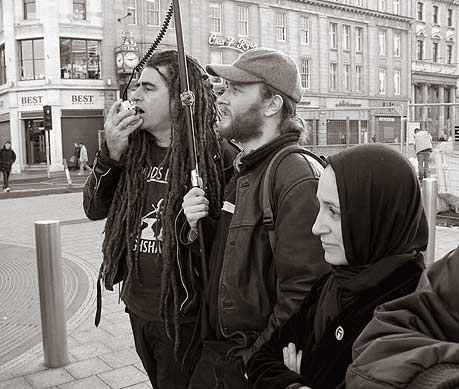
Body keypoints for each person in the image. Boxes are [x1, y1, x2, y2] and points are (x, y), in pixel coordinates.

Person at [182, 47, 329, 388]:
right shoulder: (246, 168)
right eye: (223, 88)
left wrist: (255, 361)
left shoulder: (295, 175)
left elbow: (304, 291)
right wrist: (195, 227)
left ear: (272, 104)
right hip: (220, 354)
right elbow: (232, 262)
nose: (221, 98)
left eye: (235, 90)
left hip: (246, 364)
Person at [83, 50, 229, 389]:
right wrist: (111, 153)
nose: (135, 96)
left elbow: (225, 244)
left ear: (181, 98)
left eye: (148, 88)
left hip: (185, 313)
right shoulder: (131, 148)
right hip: (139, 305)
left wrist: (197, 227)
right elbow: (93, 208)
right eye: (136, 87)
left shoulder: (214, 155)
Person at [246, 144, 428, 389]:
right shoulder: (332, 283)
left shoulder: (412, 309)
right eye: (320, 206)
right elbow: (261, 360)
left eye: (334, 211)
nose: (316, 227)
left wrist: (296, 374)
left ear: (373, 215)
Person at [346, 246, 459, 389]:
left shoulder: (399, 283)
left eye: (336, 221)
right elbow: (383, 345)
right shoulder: (325, 290)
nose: (317, 229)